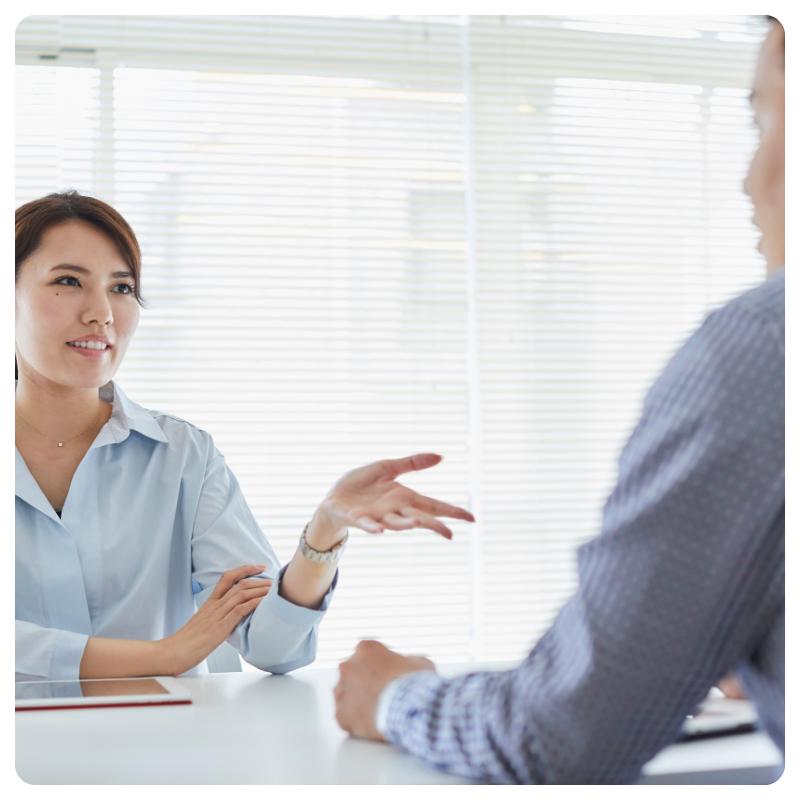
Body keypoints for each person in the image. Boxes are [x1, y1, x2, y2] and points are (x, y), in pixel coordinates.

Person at [333, 16, 786, 784]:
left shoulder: (757, 352)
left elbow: (559, 737)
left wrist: (396, 696)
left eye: (762, 116)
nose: (747, 178)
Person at [14, 192, 475, 682]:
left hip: (160, 747)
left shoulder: (183, 456)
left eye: (122, 288)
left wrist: (324, 530)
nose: (102, 312)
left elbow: (273, 647)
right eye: (68, 281)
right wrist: (163, 657)